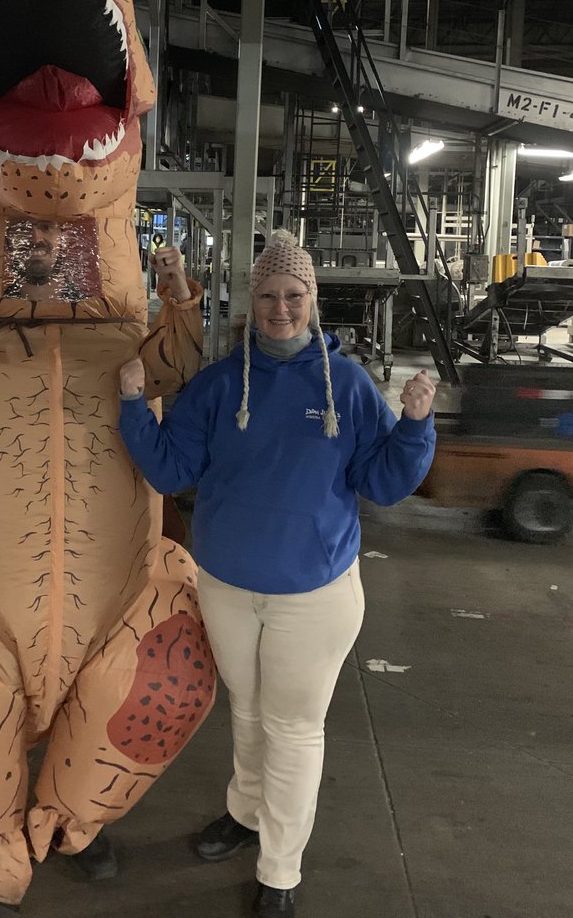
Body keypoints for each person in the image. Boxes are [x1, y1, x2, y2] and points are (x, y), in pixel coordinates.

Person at [117, 229, 436, 918]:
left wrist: (413, 426)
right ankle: (245, 813)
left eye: (293, 296)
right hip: (227, 587)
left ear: (312, 301)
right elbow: (172, 468)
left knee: (293, 728)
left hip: (313, 596)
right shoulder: (220, 384)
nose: (280, 310)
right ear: (250, 302)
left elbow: (380, 482)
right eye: (268, 297)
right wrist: (134, 408)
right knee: (250, 710)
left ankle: (280, 872)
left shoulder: (346, 386)